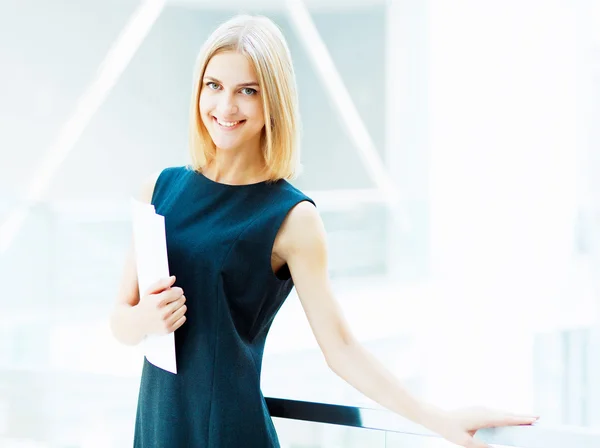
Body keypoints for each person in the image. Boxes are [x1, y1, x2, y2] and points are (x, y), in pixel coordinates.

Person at [109, 14, 539, 448]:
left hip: (229, 432)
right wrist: (145, 318)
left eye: (248, 91)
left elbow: (342, 350)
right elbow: (121, 323)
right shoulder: (158, 190)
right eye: (214, 85)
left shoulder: (292, 218)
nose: (225, 107)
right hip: (158, 428)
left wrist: (437, 419)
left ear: (273, 100)